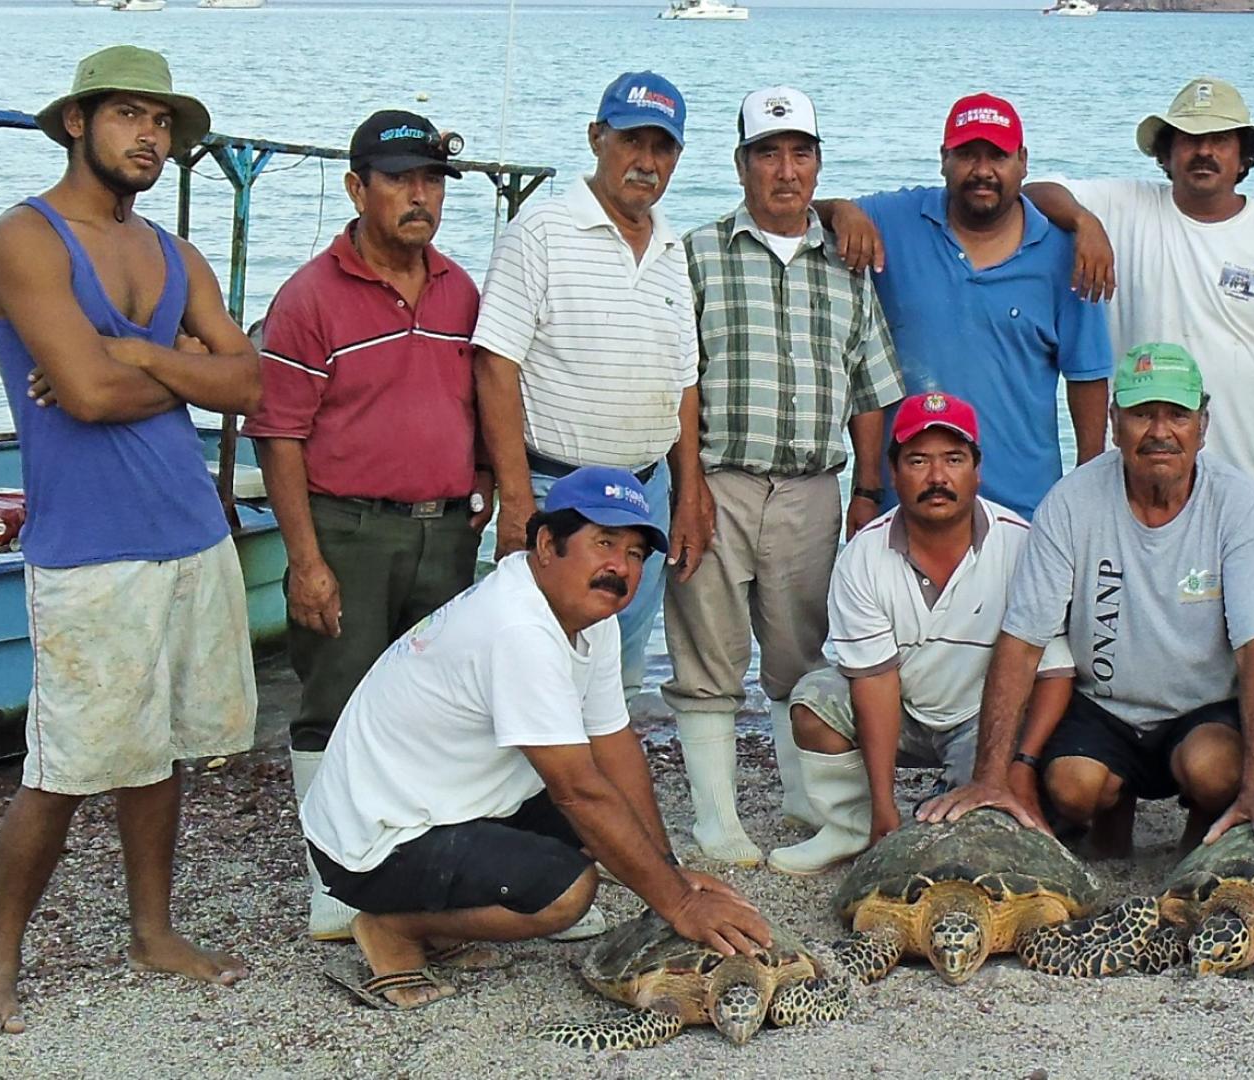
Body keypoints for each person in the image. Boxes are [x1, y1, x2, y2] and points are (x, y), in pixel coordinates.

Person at [0, 46, 262, 1035]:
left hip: (189, 533)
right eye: (131, 115)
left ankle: (153, 930)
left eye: (164, 123)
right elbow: (83, 399)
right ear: (75, 123)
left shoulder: (175, 254)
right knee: (62, 766)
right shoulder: (25, 239)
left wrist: (136, 351)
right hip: (88, 547)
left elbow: (252, 387)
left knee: (162, 748)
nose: (151, 138)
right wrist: (183, 365)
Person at [303, 468, 770, 1011]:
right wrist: (680, 907)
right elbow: (577, 790)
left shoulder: (588, 614)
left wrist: (668, 871)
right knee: (566, 892)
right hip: (373, 840)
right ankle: (394, 927)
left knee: (609, 832)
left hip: (443, 802)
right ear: (547, 544)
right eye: (603, 543)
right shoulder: (518, 626)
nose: (619, 567)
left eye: (636, 554)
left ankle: (438, 919)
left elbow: (615, 747)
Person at [921, 343, 1254, 858]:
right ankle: (1112, 818)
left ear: (1203, 424)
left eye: (1177, 414)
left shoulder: (1239, 503)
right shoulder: (1071, 501)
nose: (1160, 432)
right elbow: (1022, 643)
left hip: (1201, 708)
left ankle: (1205, 826)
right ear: (1113, 422)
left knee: (1217, 772)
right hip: (1104, 705)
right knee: (1071, 786)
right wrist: (990, 778)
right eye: (1141, 414)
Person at [245, 109, 487, 943]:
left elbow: (475, 401)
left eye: (431, 181)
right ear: (358, 187)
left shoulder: (460, 288)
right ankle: (331, 883)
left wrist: (488, 479)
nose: (420, 197)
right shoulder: (310, 296)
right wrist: (304, 559)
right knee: (334, 702)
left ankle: (415, 863)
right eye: (400, 180)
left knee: (435, 706)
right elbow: (278, 435)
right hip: (347, 529)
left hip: (446, 531)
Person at [665, 86, 906, 866]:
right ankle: (716, 819)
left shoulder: (849, 264)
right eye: (768, 153)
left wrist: (868, 490)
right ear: (740, 165)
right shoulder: (698, 253)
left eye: (801, 154)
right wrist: (688, 488)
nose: (785, 170)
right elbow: (678, 378)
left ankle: (805, 796)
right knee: (707, 650)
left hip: (812, 486)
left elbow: (871, 386)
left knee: (801, 652)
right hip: (719, 478)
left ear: (818, 164)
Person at [768, 393, 1076, 874]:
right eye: (919, 460)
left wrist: (1019, 766)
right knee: (812, 701)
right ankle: (853, 826)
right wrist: (884, 802)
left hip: (983, 721)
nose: (937, 478)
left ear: (977, 469)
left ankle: (955, 795)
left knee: (971, 828)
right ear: (893, 472)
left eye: (954, 460)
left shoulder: (1023, 545)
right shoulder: (864, 557)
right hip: (903, 709)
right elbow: (875, 682)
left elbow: (1055, 673)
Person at [1021, 77, 1254, 544]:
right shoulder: (1123, 207)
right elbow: (1033, 190)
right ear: (1166, 154)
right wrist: (1084, 224)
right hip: (1135, 478)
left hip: (1249, 478)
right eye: (1189, 140)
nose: (1204, 152)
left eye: (1220, 140)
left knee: (1250, 614)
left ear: (1244, 155)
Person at [473, 71, 703, 706]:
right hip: (559, 495)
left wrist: (689, 494)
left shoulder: (671, 248)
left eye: (663, 148)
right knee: (539, 668)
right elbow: (495, 364)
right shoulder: (541, 231)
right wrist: (516, 500)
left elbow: (684, 379)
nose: (646, 162)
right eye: (632, 141)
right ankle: (532, 806)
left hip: (645, 495)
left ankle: (594, 794)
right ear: (597, 137)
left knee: (616, 672)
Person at [819, 92, 1113, 518]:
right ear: (943, 159)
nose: (982, 171)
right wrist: (840, 210)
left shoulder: (1068, 253)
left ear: (1023, 161)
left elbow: (1086, 377)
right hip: (905, 508)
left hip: (1024, 511)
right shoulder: (893, 221)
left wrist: (1087, 494)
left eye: (997, 155)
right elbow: (795, 217)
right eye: (966, 155)